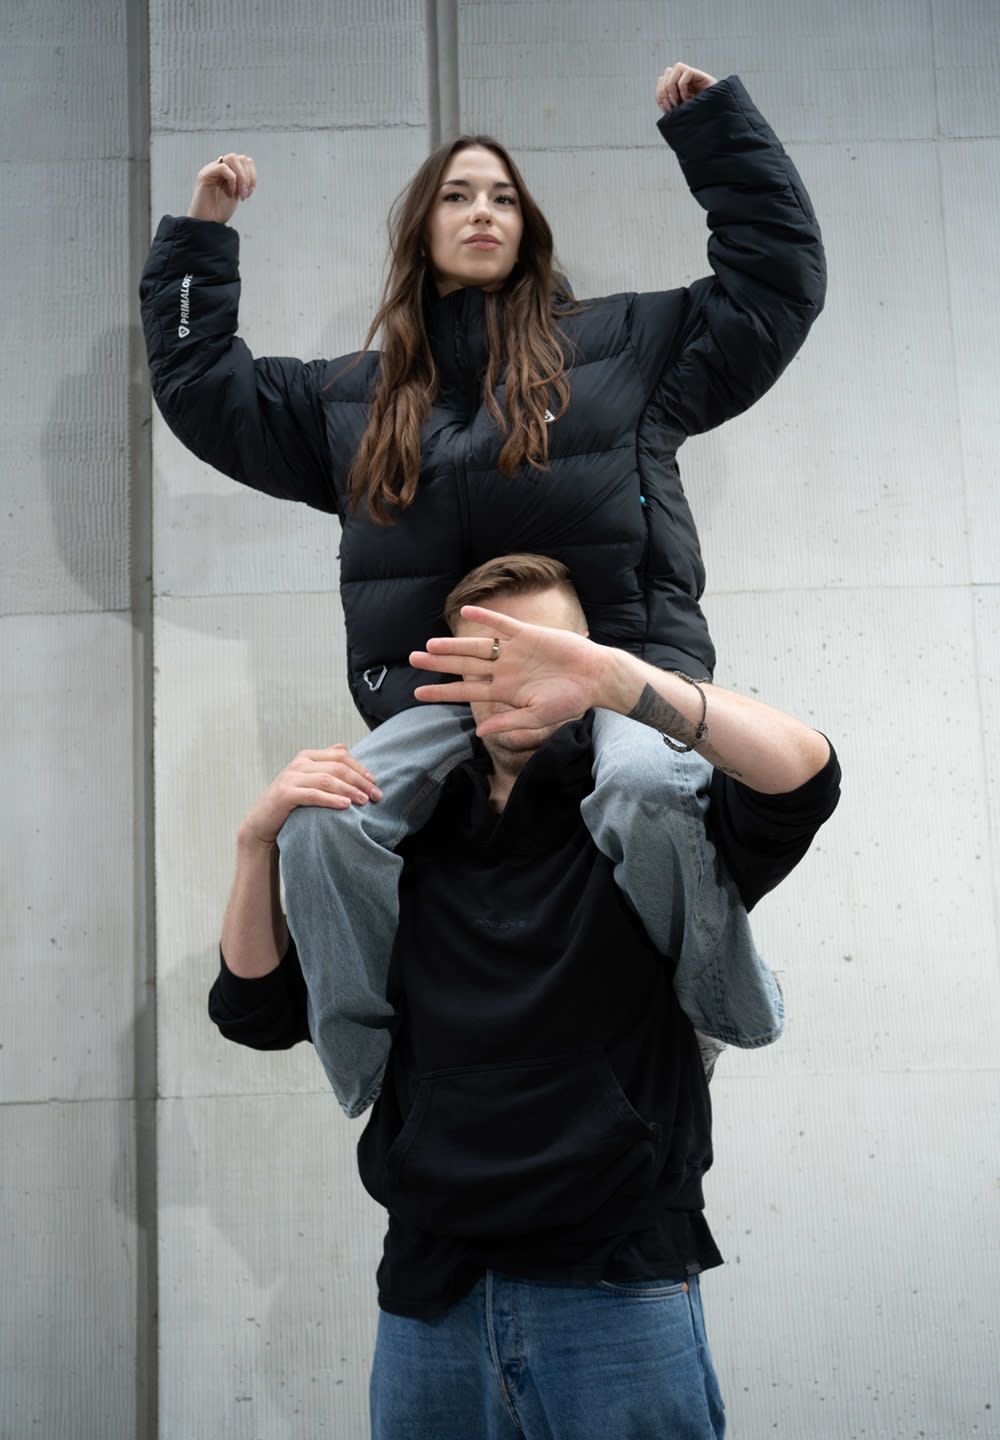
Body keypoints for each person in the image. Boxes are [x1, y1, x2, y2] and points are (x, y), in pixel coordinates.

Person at [142, 60, 826, 1109]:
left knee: (650, 787)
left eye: (502, 195)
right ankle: (364, 1065)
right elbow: (203, 390)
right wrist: (201, 234)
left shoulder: (625, 348)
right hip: (442, 705)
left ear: (528, 226)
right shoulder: (354, 405)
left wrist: (717, 136)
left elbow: (772, 286)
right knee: (324, 827)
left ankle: (721, 1004)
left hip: (618, 678)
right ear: (422, 227)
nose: (480, 211)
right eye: (458, 194)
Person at [211, 556, 840, 1440]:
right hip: (431, 1297)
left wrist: (623, 681)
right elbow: (257, 1012)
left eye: (541, 656)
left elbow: (803, 777)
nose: (512, 682)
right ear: (449, 679)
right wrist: (254, 844)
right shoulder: (397, 835)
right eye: (486, 663)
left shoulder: (644, 818)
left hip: (616, 1283)